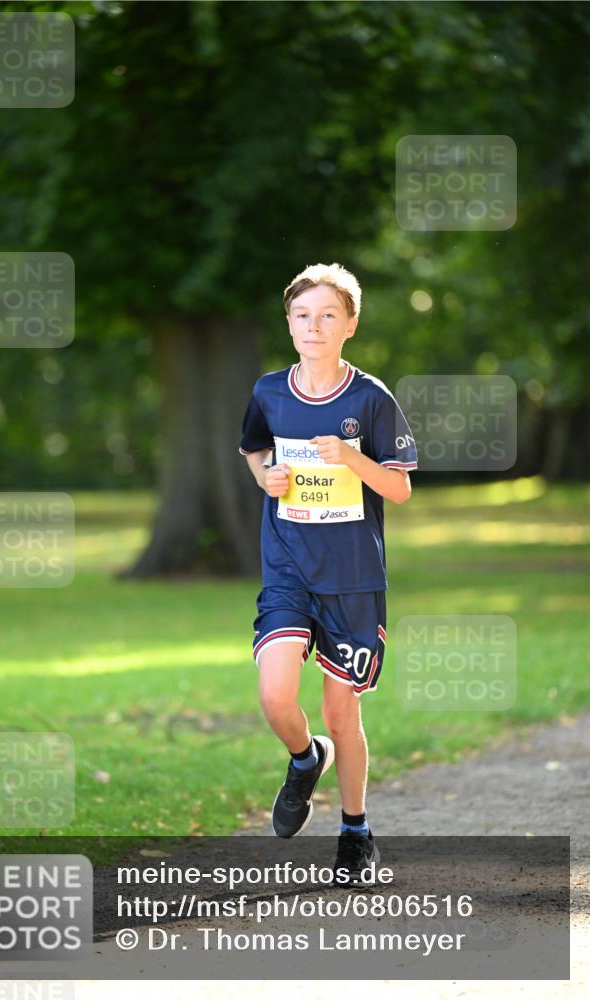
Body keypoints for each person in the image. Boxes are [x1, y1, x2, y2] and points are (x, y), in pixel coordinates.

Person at [238, 262, 417, 884]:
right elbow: (256, 452)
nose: (313, 326)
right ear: (289, 324)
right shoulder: (269, 392)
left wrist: (350, 458)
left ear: (350, 325)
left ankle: (355, 832)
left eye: (327, 315)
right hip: (288, 569)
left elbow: (399, 488)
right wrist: (266, 478)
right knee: (274, 695)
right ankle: (303, 757)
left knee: (343, 715)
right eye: (302, 315)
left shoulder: (371, 398)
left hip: (353, 579)